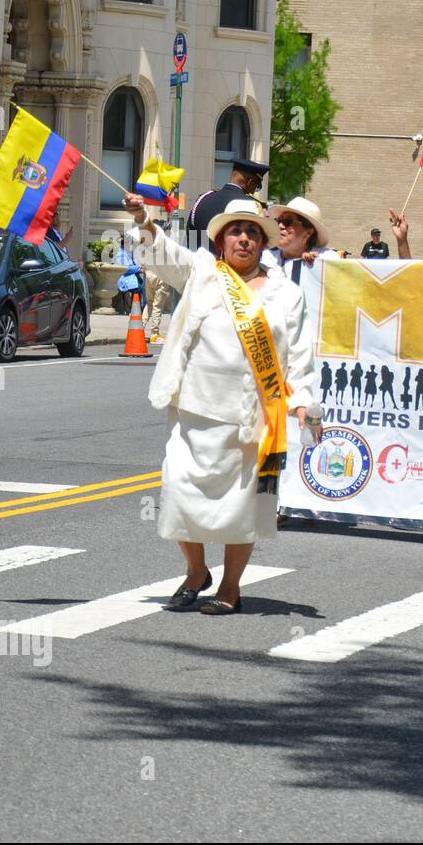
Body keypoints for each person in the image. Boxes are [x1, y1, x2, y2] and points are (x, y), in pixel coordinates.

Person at [122, 193, 318, 615]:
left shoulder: (286, 294)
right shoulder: (202, 273)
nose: (244, 239)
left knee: (243, 508)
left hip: (252, 418)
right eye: (235, 232)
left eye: (252, 232)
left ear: (263, 243)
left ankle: (230, 586)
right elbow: (160, 251)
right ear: (221, 241)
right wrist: (142, 218)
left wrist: (303, 404)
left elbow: (300, 357)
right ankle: (196, 571)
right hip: (195, 411)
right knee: (177, 492)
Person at [186, 157, 268, 250]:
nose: (254, 191)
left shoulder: (202, 199)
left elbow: (193, 240)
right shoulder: (252, 205)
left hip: (202, 262)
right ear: (249, 182)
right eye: (256, 186)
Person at [263, 196, 338, 285]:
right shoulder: (265, 258)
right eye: (279, 221)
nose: (280, 226)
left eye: (288, 222)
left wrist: (316, 267)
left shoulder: (326, 259)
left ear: (308, 233)